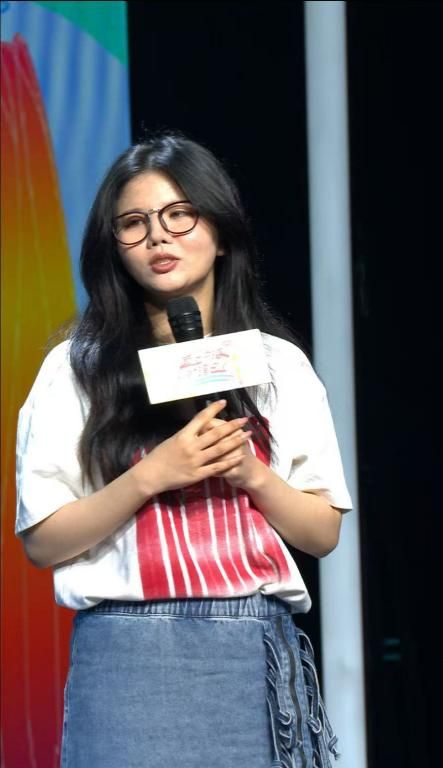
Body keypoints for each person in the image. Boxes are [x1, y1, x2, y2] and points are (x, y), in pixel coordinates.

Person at [15, 132, 352, 768]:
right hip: (128, 658)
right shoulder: (77, 368)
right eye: (134, 224)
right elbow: (43, 541)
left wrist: (250, 472)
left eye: (179, 215)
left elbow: (322, 533)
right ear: (114, 247)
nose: (158, 238)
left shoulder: (277, 365)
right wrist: (153, 475)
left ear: (220, 231)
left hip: (252, 651)